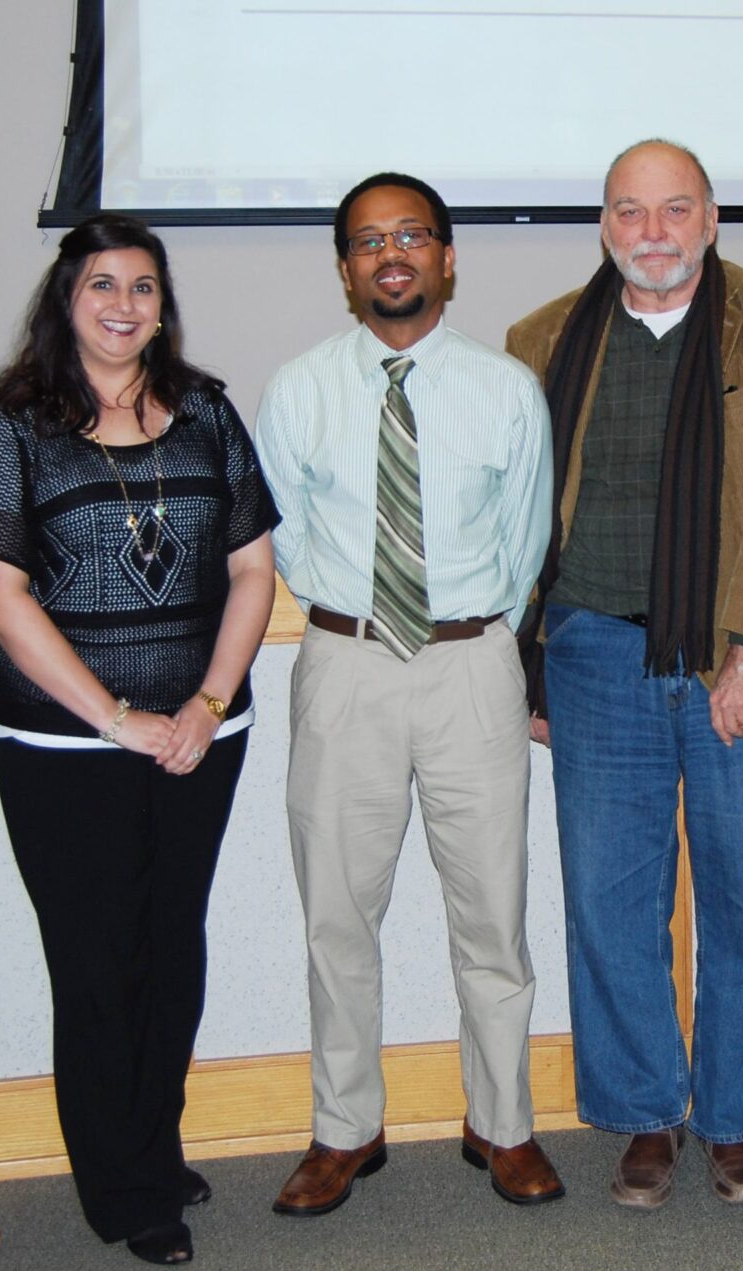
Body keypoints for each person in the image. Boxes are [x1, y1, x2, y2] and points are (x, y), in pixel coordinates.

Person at [507, 139, 743, 1207]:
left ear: (709, 219)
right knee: (608, 898)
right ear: (604, 223)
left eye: (672, 210)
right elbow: (514, 516)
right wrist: (528, 667)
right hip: (592, 648)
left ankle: (733, 1117)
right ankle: (646, 1110)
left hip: (732, 654)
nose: (650, 232)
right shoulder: (542, 338)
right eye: (628, 211)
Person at [0, 214, 278, 1266]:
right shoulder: (16, 426)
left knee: (169, 947)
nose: (123, 305)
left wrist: (203, 703)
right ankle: (122, 1186)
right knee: (98, 963)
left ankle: (147, 1138)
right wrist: (115, 716)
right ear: (67, 299)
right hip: (63, 749)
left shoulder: (206, 413)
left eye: (142, 286)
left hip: (197, 739)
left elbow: (249, 571)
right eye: (101, 284)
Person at [255, 172, 559, 1215]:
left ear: (446, 256)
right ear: (345, 269)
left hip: (474, 665)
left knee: (493, 918)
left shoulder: (504, 389)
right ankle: (345, 1128)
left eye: (412, 235)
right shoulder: (297, 390)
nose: (392, 254)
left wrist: (476, 637)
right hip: (344, 666)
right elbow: (286, 539)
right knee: (337, 914)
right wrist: (356, 620)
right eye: (369, 240)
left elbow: (526, 546)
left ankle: (501, 1124)